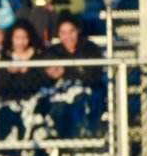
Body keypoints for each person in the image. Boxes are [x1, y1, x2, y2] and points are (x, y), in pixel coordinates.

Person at [0, 18, 52, 156]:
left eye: (24, 38)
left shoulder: (38, 56)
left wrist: (26, 72)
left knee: (35, 119)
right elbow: (0, 87)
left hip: (34, 102)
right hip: (11, 102)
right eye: (17, 38)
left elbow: (41, 82)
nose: (21, 42)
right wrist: (10, 73)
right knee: (5, 116)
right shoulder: (6, 57)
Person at [43, 11, 104, 139]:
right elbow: (48, 75)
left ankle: (82, 131)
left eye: (71, 31)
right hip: (61, 97)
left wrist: (66, 71)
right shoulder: (54, 51)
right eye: (63, 33)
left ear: (78, 30)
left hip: (87, 94)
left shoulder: (90, 49)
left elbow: (94, 76)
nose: (68, 37)